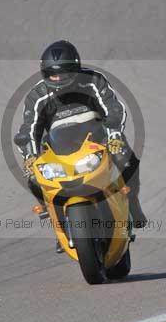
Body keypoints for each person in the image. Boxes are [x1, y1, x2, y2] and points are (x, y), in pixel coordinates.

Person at [14, 40, 147, 249]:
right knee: (34, 178)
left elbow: (114, 108)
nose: (58, 79)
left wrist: (114, 135)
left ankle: (133, 203)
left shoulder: (93, 80)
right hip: (59, 147)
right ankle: (58, 223)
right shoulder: (37, 96)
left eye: (64, 74)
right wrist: (29, 156)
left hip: (97, 138)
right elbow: (28, 129)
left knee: (126, 158)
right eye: (52, 74)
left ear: (76, 69)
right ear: (44, 73)